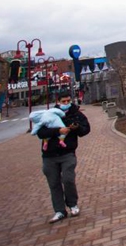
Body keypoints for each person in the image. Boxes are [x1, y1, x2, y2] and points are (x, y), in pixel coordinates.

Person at [36, 91, 90, 224]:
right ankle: (59, 210)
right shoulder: (50, 114)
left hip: (68, 153)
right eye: (63, 101)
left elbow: (85, 129)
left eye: (68, 101)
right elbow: (41, 133)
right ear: (58, 101)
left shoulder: (75, 113)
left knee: (68, 179)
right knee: (54, 183)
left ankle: (72, 205)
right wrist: (57, 131)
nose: (66, 104)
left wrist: (75, 128)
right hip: (49, 155)